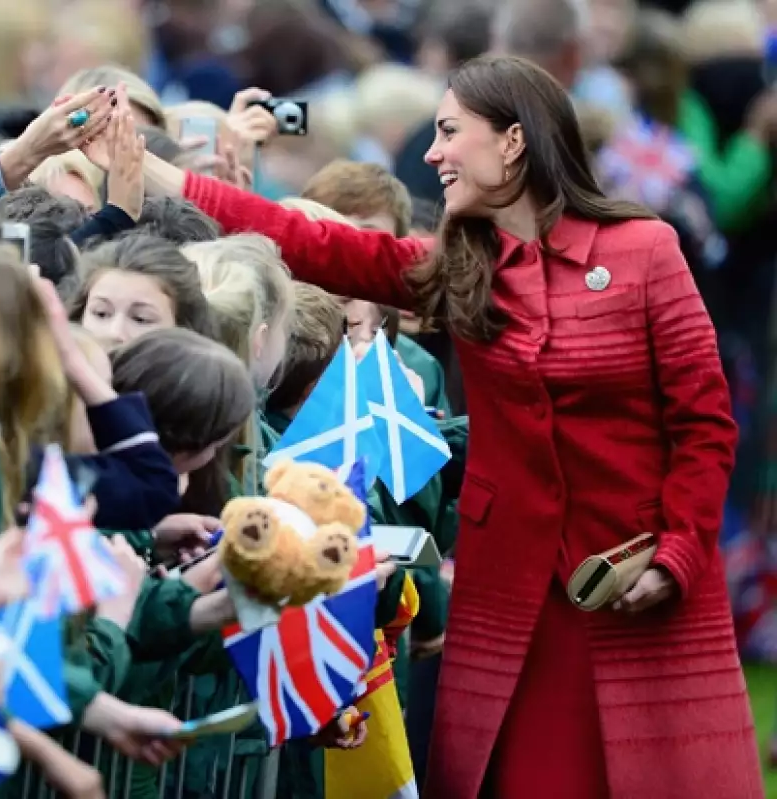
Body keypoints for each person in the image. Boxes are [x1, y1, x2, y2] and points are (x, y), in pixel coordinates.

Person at [96, 55, 763, 798]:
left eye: (450, 132)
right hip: (512, 591)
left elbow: (705, 420)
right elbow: (312, 241)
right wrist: (159, 177)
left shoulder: (645, 251)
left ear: (514, 141)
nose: (433, 152)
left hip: (637, 583)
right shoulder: (463, 265)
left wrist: (676, 552)